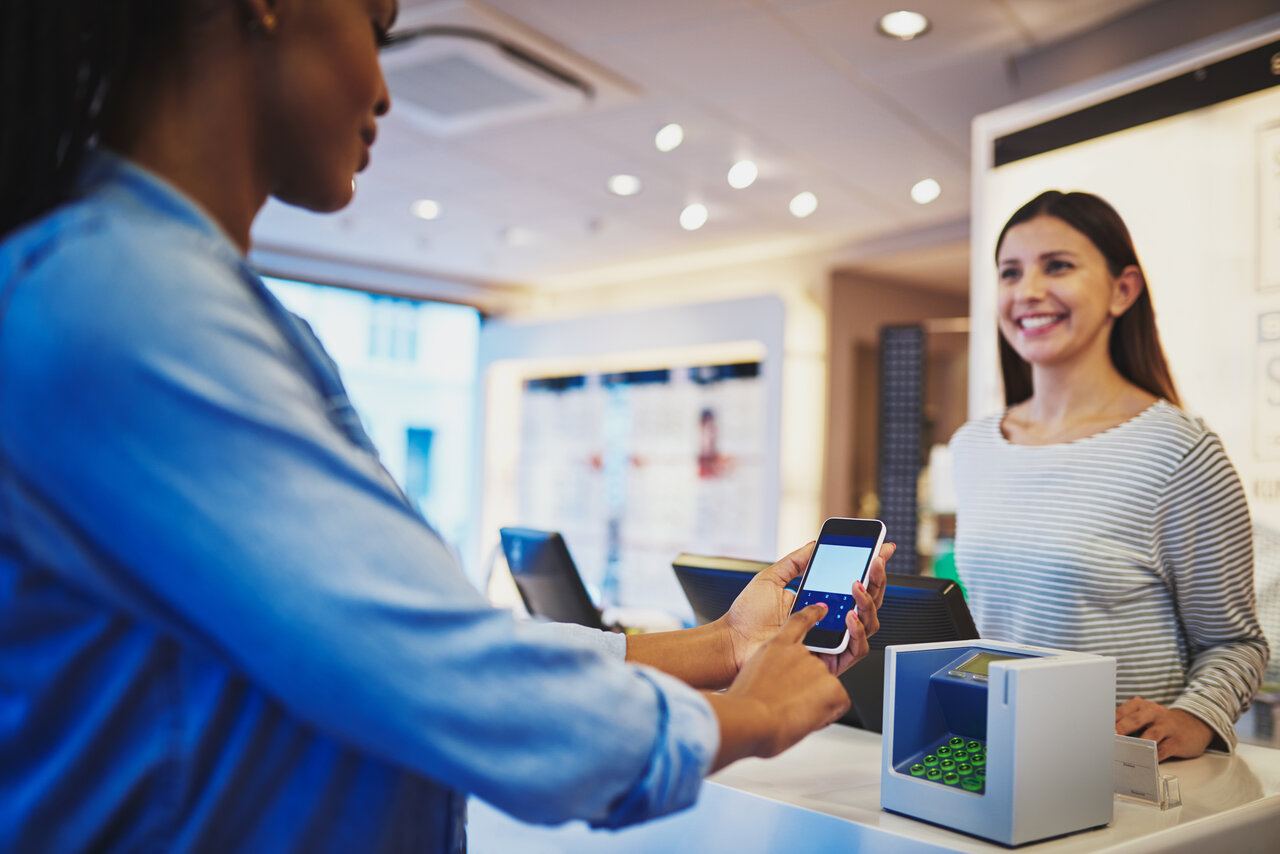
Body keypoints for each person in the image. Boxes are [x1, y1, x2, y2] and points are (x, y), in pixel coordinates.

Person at [0, 2, 894, 851]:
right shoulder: (124, 302)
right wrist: (755, 711)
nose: (382, 89)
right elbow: (444, 673)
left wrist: (727, 645)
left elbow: (425, 636)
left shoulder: (177, 300)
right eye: (378, 26)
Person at [950, 190, 1269, 761]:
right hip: (996, 757)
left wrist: (1195, 716)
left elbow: (1236, 643)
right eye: (1010, 273)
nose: (1027, 292)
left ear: (1123, 290)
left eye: (1058, 266)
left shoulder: (1180, 451)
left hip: (1121, 779)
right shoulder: (973, 447)